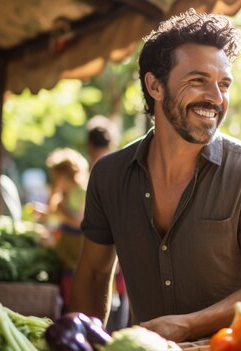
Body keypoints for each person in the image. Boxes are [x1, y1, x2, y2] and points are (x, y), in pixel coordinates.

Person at [69, 9, 241, 342]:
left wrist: (187, 325)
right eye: (199, 80)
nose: (216, 97)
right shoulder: (108, 175)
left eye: (224, 84)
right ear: (155, 85)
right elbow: (93, 275)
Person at [86, 115, 130, 331]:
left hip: (106, 252)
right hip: (124, 254)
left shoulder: (99, 170)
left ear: (89, 144)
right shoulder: (124, 167)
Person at [44, 147, 89, 313]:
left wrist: (61, 207)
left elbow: (79, 221)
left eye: (56, 176)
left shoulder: (81, 191)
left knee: (74, 288)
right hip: (66, 249)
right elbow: (53, 213)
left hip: (78, 249)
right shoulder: (64, 193)